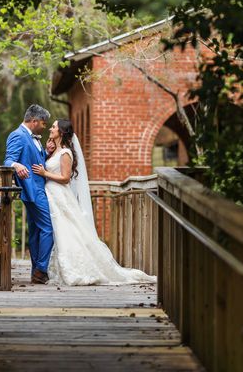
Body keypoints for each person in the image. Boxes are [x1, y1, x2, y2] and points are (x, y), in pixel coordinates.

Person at [32, 119, 156, 286]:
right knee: (61, 232)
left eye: (54, 126)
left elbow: (65, 178)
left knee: (68, 231)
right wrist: (47, 152)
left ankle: (77, 268)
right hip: (52, 196)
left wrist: (44, 173)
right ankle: (60, 268)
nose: (51, 129)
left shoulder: (66, 153)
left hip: (60, 195)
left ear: (61, 131)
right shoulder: (56, 151)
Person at [4, 104, 54, 284]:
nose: (45, 126)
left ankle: (36, 272)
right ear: (34, 121)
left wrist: (46, 153)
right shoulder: (18, 135)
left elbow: (37, 162)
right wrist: (16, 165)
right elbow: (8, 159)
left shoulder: (35, 138)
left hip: (40, 189)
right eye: (43, 122)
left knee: (35, 232)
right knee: (49, 228)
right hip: (32, 190)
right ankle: (41, 269)